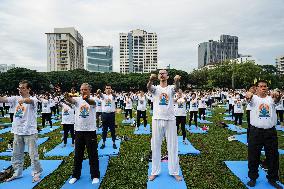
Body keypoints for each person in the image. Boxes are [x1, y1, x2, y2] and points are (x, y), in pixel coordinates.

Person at [0, 80, 42, 182]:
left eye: (23, 88)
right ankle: (17, 172)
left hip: (30, 132)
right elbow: (2, 100)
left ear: (28, 89)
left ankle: (36, 172)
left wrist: (24, 101)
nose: (20, 90)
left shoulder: (34, 99)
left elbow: (30, 101)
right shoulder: (15, 98)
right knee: (16, 154)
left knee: (33, 155)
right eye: (20, 88)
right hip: (17, 131)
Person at [245, 80, 282, 189]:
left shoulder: (271, 99)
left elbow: (277, 100)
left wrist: (278, 96)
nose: (263, 88)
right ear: (257, 88)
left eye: (265, 86)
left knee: (273, 156)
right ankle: (252, 177)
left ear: (267, 87)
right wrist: (249, 94)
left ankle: (272, 178)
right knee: (253, 155)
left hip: (270, 132)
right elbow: (248, 97)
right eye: (260, 86)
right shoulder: (254, 99)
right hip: (256, 132)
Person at [147, 69, 182, 181]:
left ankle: (174, 171)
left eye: (164, 73)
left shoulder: (171, 88)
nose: (162, 74)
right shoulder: (156, 88)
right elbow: (149, 87)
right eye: (160, 73)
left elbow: (176, 88)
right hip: (157, 119)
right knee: (155, 146)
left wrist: (176, 81)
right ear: (158, 76)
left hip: (170, 120)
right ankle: (155, 171)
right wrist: (150, 80)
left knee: (172, 146)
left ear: (167, 76)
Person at [65, 83, 100, 185]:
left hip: (90, 131)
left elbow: (92, 102)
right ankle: (75, 175)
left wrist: (86, 99)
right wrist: (67, 96)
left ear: (89, 90)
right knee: (78, 154)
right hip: (79, 131)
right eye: (81, 89)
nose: (83, 91)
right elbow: (70, 100)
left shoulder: (94, 99)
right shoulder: (77, 100)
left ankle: (95, 175)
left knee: (92, 154)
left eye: (85, 89)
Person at [97, 85, 117, 149]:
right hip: (104, 115)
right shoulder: (103, 96)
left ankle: (114, 142)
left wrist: (112, 92)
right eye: (107, 88)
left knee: (112, 130)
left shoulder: (112, 96)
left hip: (111, 115)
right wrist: (99, 92)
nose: (108, 89)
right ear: (105, 90)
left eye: (109, 88)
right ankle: (103, 143)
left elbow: (114, 96)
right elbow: (100, 95)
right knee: (104, 130)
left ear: (111, 89)